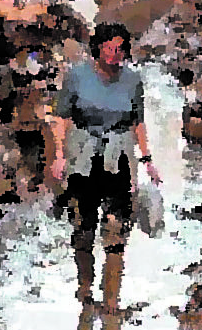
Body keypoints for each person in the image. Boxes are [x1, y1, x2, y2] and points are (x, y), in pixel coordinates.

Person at [50, 23, 161, 312]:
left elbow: (138, 122)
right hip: (83, 156)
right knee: (83, 227)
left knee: (116, 228)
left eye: (120, 49)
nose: (114, 54)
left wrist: (147, 160)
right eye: (109, 48)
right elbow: (61, 117)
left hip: (119, 158)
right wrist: (59, 154)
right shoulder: (76, 77)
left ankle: (111, 299)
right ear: (97, 47)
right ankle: (85, 289)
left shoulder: (133, 81)